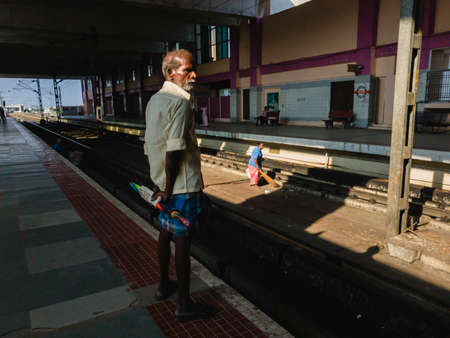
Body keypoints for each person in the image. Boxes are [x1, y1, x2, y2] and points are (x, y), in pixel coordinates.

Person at [143, 49, 217, 322]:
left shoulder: (154, 101)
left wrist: (160, 184)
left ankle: (164, 286)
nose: (194, 75)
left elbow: (153, 145)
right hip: (180, 186)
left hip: (162, 182)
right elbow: (174, 150)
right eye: (188, 70)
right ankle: (184, 305)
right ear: (171, 73)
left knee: (165, 231)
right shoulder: (181, 103)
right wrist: (169, 187)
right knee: (183, 243)